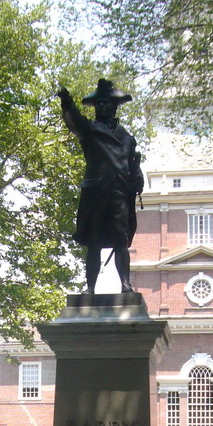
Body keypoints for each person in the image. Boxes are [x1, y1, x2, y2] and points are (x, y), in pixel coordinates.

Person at [57, 79, 144, 293]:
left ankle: (125, 284)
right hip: (97, 193)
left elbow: (133, 165)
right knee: (94, 243)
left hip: (119, 193)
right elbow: (74, 121)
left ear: (115, 107)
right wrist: (67, 104)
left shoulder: (127, 138)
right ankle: (90, 287)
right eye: (99, 103)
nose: (102, 107)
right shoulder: (90, 129)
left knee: (120, 242)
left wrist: (138, 177)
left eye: (106, 103)